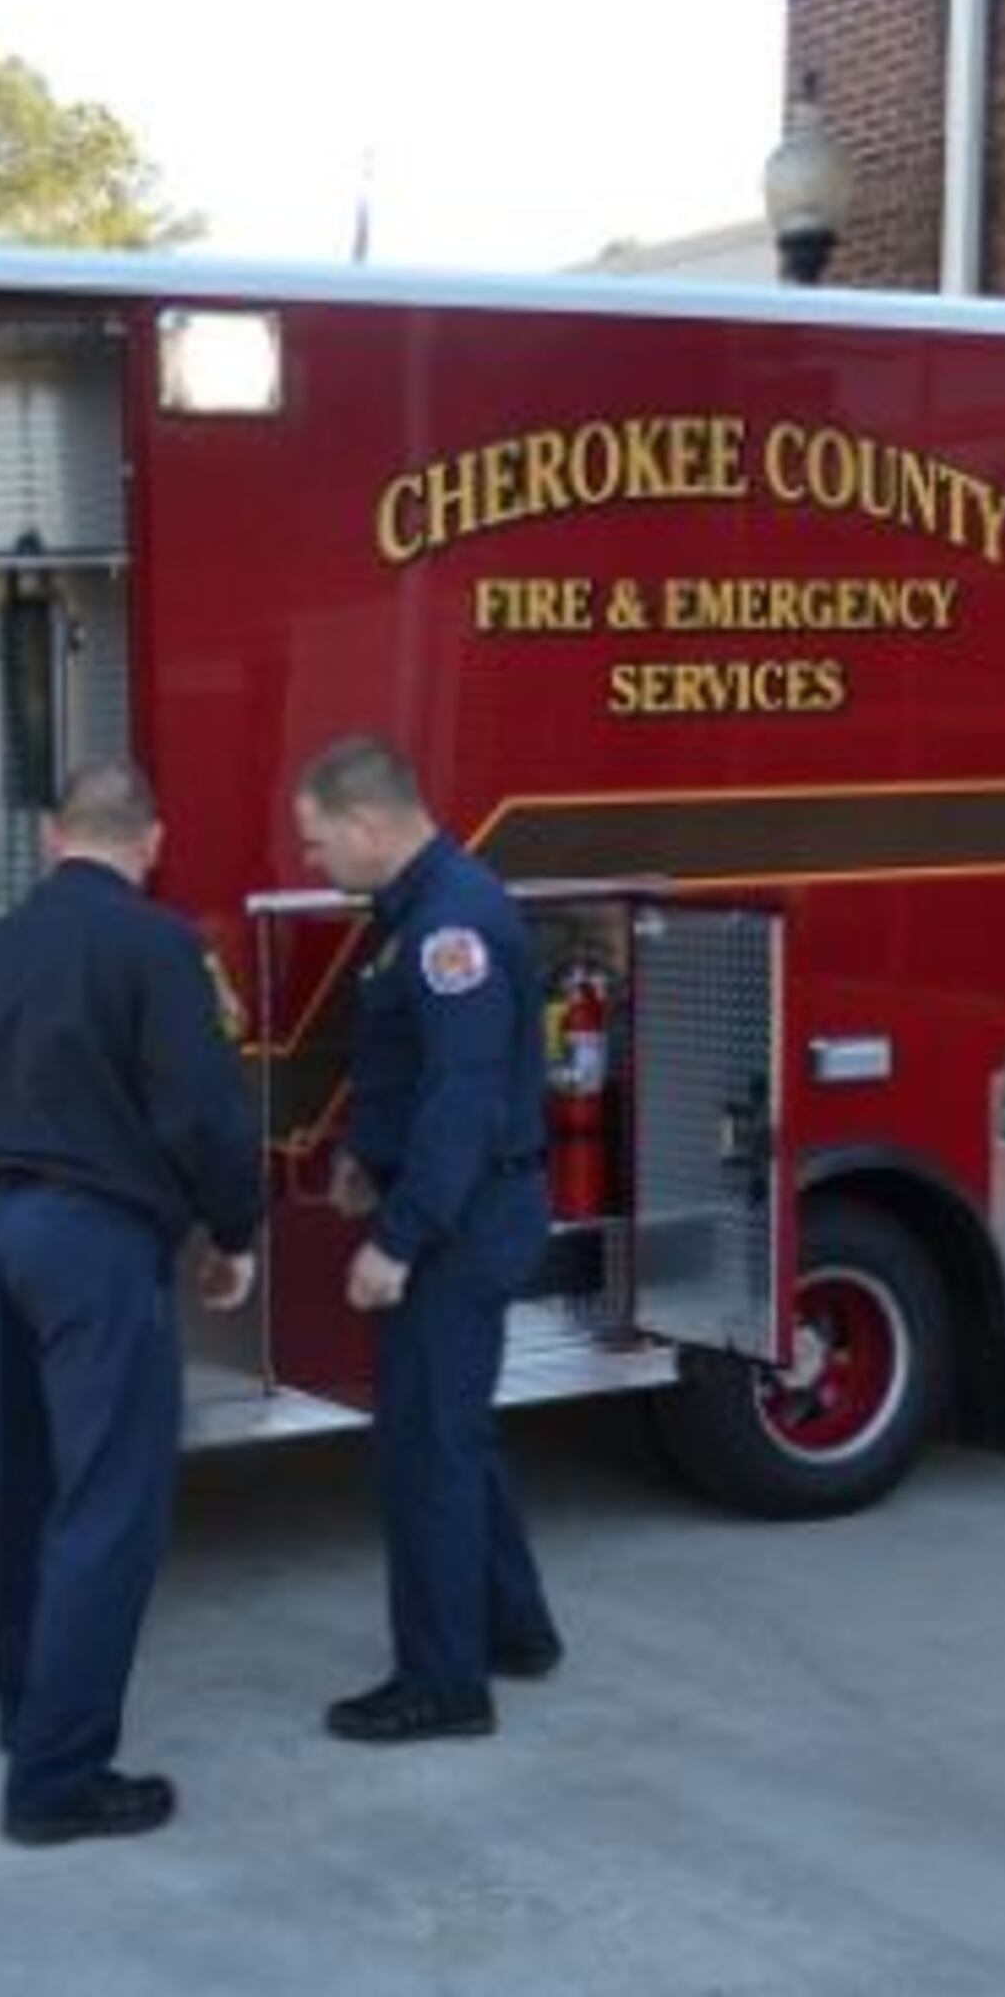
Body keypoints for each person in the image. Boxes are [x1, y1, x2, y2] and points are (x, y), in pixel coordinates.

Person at [0, 760, 263, 1847]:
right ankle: (59, 1781)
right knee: (111, 1499)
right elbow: (203, 1111)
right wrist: (234, 1228)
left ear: (58, 835)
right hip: (89, 1236)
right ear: (151, 840)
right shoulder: (157, 945)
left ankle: (25, 1712)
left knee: (23, 1485)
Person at [290, 734, 565, 1743]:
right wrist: (367, 1152)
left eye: (319, 843)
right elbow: (409, 1068)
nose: (311, 863)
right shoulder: (419, 909)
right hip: (458, 1205)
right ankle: (513, 1629)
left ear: (369, 826)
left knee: (427, 1451)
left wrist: (398, 1241)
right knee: (458, 1434)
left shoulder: (454, 924)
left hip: (459, 1221)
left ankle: (443, 1686)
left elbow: (462, 1100)